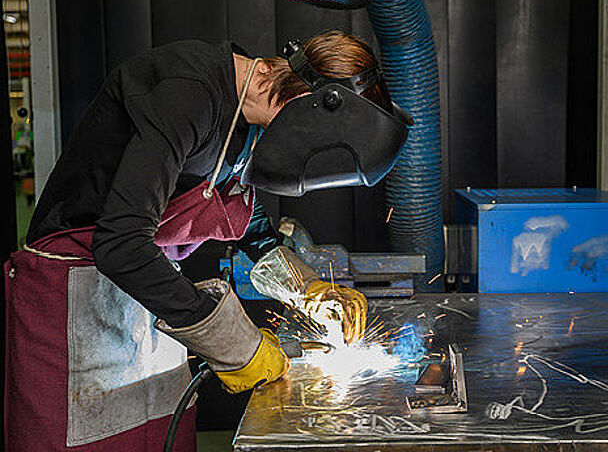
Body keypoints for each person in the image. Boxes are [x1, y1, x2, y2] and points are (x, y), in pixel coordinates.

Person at [4, 30, 410, 451]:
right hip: (73, 300)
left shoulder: (250, 118)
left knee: (157, 437)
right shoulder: (190, 93)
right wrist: (237, 346)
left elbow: (247, 226)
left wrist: (307, 289)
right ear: (307, 105)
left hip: (148, 301)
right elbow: (122, 241)